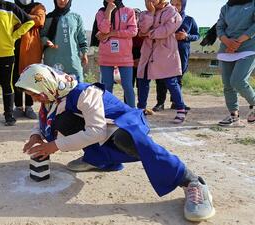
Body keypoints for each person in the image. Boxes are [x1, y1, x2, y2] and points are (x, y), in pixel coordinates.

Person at [15, 64, 216, 222]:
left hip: (125, 125)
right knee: (64, 121)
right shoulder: (55, 94)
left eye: (34, 93)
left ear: (47, 83)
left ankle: (191, 181)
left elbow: (95, 131)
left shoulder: (85, 93)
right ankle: (98, 159)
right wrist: (36, 135)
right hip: (104, 131)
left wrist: (55, 146)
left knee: (128, 139)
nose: (34, 98)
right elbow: (47, 119)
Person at [136, 0, 188, 123]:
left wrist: (147, 34)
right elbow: (142, 29)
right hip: (148, 52)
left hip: (165, 52)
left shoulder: (173, 12)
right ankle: (141, 109)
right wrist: (151, 13)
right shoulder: (145, 13)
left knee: (171, 81)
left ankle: (181, 108)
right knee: (142, 79)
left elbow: (165, 31)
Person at [153, 0, 199, 112]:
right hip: (165, 52)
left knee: (178, 78)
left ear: (183, 5)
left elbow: (197, 35)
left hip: (182, 53)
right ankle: (160, 103)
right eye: (172, 4)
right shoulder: (162, 18)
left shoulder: (189, 20)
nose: (175, 7)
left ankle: (176, 102)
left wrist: (186, 36)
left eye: (178, 4)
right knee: (161, 78)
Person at [216, 0, 255, 126]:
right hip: (227, 48)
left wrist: (237, 42)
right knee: (228, 84)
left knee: (238, 80)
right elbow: (220, 27)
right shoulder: (226, 7)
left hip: (248, 47)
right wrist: (228, 42)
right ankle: (234, 115)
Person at [93, 0, 137, 108]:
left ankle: (131, 113)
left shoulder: (129, 11)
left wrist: (113, 33)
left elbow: (133, 31)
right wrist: (108, 11)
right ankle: (107, 112)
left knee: (127, 86)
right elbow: (103, 29)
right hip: (106, 57)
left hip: (125, 57)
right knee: (107, 86)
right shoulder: (100, 13)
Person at [12, 0, 46, 119]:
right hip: (13, 45)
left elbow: (39, 20)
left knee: (30, 76)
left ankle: (29, 106)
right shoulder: (12, 6)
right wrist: (28, 18)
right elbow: (9, 22)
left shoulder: (38, 6)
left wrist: (18, 17)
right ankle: (18, 106)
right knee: (15, 77)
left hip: (31, 47)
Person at [40, 0, 88, 83]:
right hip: (53, 59)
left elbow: (82, 37)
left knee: (77, 85)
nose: (62, 1)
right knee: (54, 88)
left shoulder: (76, 17)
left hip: (72, 60)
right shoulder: (49, 17)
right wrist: (47, 41)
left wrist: (84, 53)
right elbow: (41, 36)